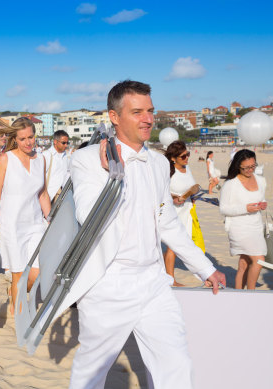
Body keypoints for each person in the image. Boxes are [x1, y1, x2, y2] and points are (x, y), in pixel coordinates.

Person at [58, 81, 225, 388]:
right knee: (91, 372)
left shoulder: (160, 163)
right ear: (114, 116)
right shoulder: (85, 159)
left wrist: (205, 267)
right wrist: (112, 176)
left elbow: (167, 223)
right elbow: (87, 217)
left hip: (154, 281)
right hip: (109, 282)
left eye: (150, 110)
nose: (147, 118)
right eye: (137, 112)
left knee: (176, 363)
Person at [0, 117, 51, 314]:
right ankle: (20, 316)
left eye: (31, 137)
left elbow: (42, 193)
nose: (28, 142)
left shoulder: (41, 159)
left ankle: (15, 295)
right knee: (18, 275)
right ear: (15, 138)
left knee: (38, 272)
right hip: (11, 225)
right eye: (23, 139)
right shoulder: (6, 160)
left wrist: (51, 219)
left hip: (35, 224)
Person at [219, 149, 267, 290]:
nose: (250, 170)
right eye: (246, 167)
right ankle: (250, 293)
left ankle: (238, 293)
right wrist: (246, 208)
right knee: (259, 260)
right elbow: (223, 209)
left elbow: (260, 197)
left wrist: (262, 203)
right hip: (239, 228)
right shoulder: (230, 184)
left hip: (256, 226)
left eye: (253, 166)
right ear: (238, 166)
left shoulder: (260, 180)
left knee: (244, 264)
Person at [163, 140, 199, 287]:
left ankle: (165, 273)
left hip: (187, 210)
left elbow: (193, 186)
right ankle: (171, 280)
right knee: (174, 245)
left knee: (177, 245)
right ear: (173, 158)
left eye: (188, 154)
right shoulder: (169, 172)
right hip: (174, 210)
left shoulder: (187, 168)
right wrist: (174, 197)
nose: (187, 158)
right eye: (183, 156)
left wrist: (192, 193)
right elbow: (162, 191)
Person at [43, 130, 71, 204]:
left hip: (63, 195)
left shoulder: (66, 156)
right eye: (63, 143)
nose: (66, 145)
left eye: (67, 143)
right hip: (49, 196)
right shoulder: (46, 155)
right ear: (55, 142)